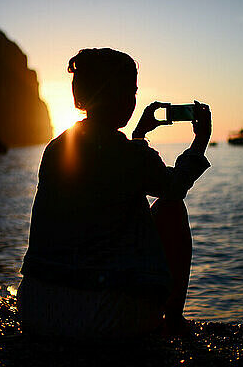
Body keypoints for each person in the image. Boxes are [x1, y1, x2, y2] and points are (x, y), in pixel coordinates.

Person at [17, 48, 211, 339]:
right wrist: (200, 142)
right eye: (131, 92)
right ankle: (173, 320)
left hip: (37, 310)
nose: (133, 100)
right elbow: (174, 187)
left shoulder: (56, 148)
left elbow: (116, 172)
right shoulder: (129, 154)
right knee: (171, 208)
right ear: (121, 97)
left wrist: (139, 138)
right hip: (104, 317)